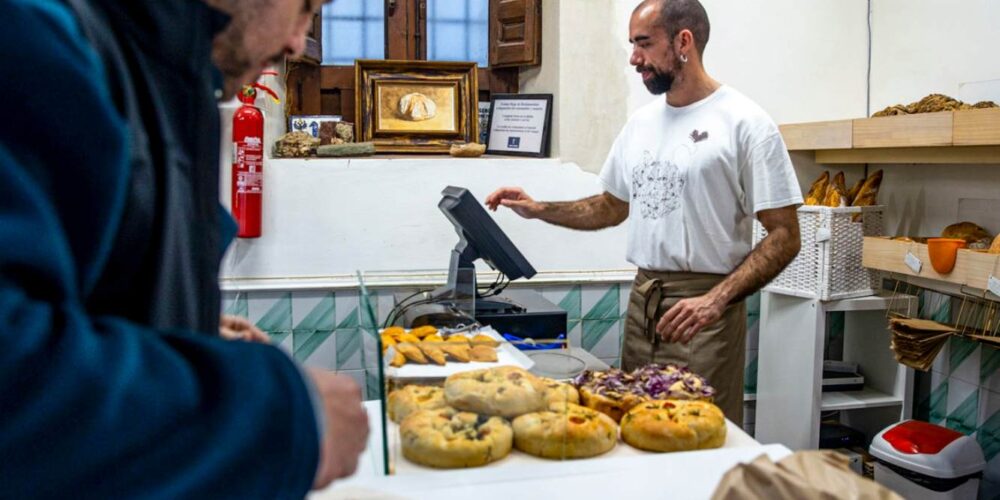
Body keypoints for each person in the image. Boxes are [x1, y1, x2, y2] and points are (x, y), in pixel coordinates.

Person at [0, 0, 367, 497]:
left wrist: (182, 323)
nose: (296, 43)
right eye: (304, 8)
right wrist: (283, 414)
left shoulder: (168, 73)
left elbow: (91, 285)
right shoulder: (33, 35)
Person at [486, 0, 802, 423]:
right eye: (632, 44)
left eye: (644, 44)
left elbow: (785, 235)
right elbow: (610, 207)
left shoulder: (746, 124)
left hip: (703, 316)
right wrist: (540, 208)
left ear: (683, 41)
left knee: (694, 438)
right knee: (636, 426)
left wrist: (714, 301)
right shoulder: (641, 124)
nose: (635, 58)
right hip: (643, 306)